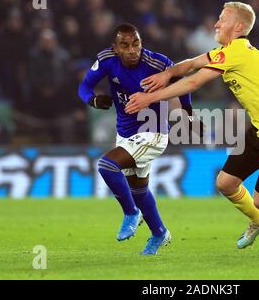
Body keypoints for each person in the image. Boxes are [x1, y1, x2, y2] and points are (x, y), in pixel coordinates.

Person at [126, 2, 259, 256]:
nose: (216, 24)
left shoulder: (238, 53)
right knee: (226, 183)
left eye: (222, 19)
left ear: (239, 26)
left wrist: (148, 99)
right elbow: (190, 64)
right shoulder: (230, 51)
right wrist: (167, 74)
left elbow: (194, 81)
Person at [78, 23, 194, 255]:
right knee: (139, 190)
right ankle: (160, 233)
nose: (132, 50)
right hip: (125, 133)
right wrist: (92, 100)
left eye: (136, 43)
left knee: (107, 165)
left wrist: (187, 112)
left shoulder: (157, 63)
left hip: (153, 132)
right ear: (115, 47)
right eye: (125, 45)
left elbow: (182, 83)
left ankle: (131, 213)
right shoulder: (107, 59)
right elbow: (84, 86)